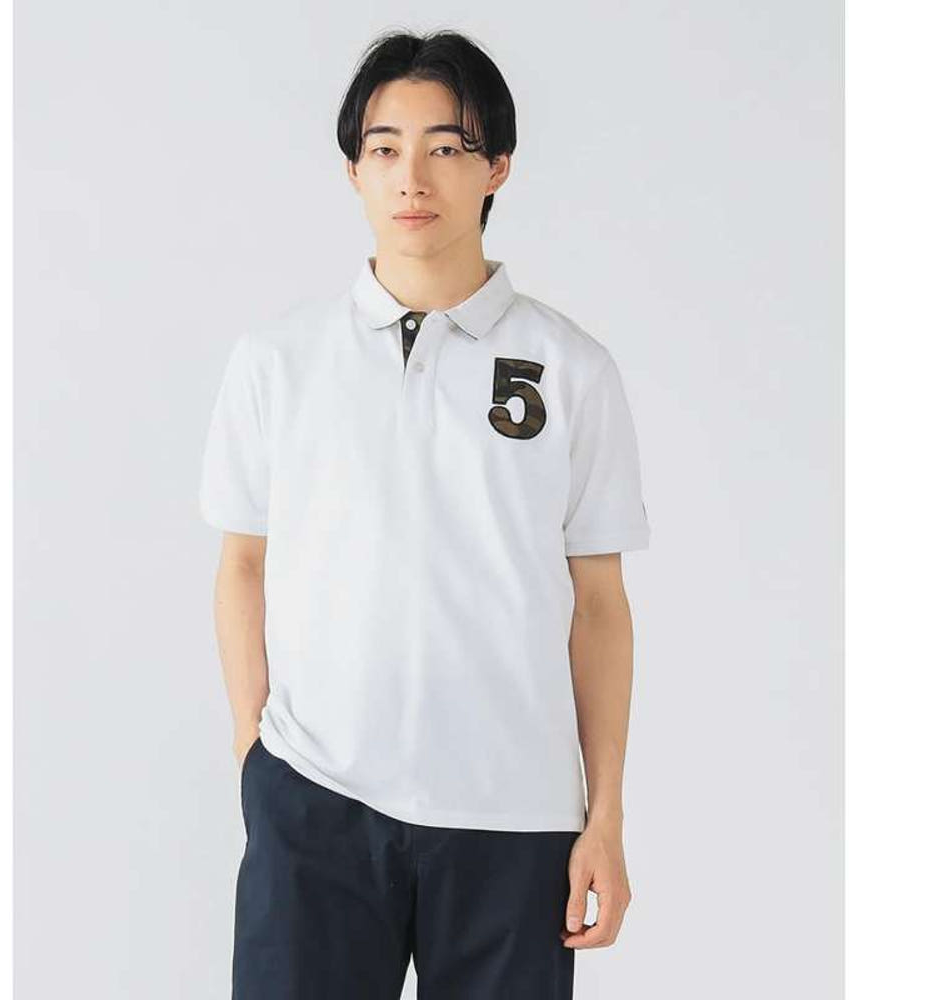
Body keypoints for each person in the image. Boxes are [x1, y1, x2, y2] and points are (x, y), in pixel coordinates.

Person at [199, 28, 651, 1000]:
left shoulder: (571, 369)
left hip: (514, 818)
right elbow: (243, 564)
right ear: (353, 170)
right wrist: (255, 758)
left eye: (446, 147)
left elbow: (599, 604)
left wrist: (604, 817)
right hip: (315, 800)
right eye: (385, 147)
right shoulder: (279, 361)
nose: (413, 177)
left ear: (497, 168)